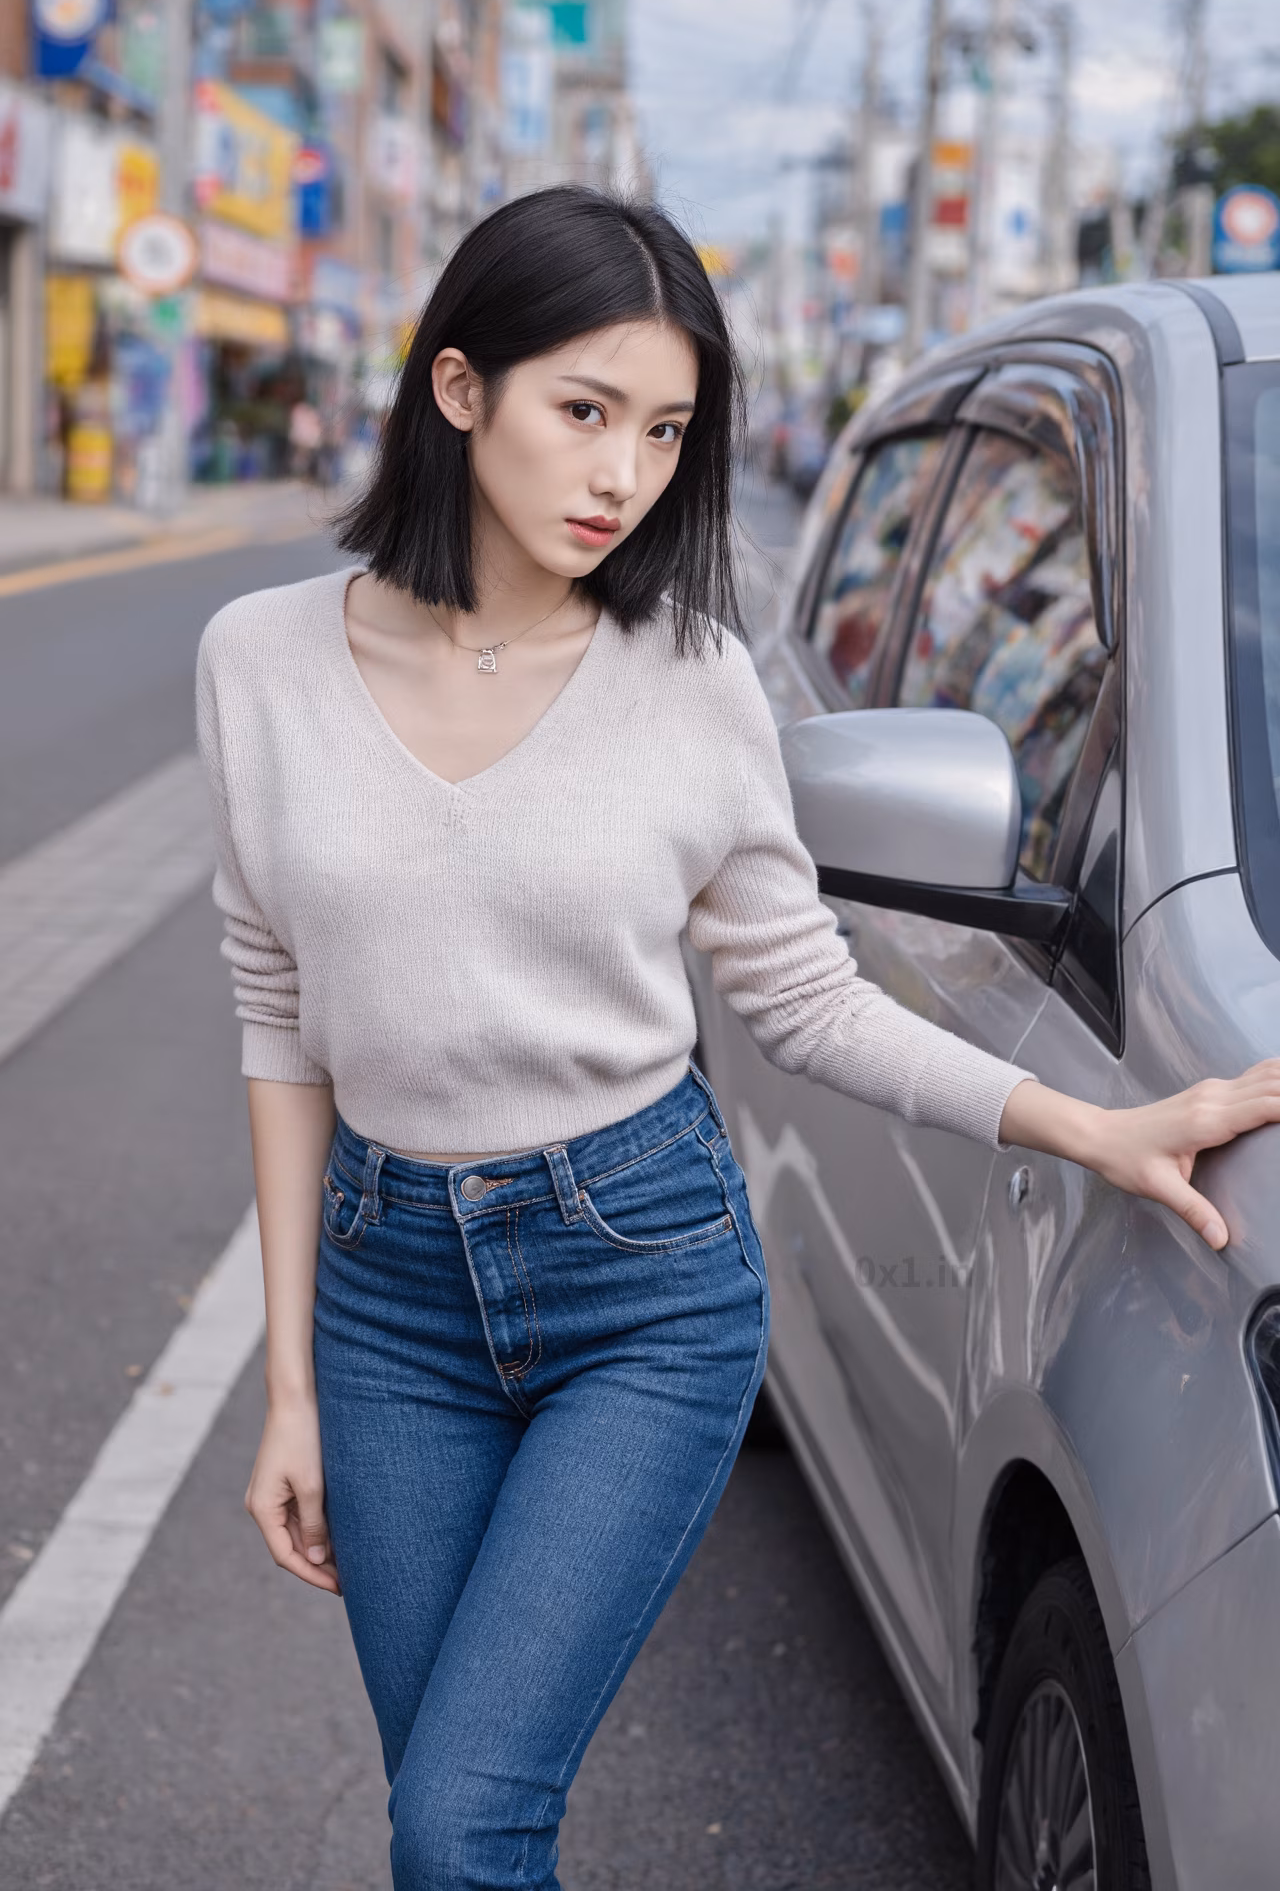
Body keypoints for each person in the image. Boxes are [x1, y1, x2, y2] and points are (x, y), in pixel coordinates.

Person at [195, 186, 1280, 1891]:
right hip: (387, 1290)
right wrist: (291, 1383)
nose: (623, 473)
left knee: (457, 1825)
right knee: (458, 1819)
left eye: (664, 429)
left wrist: (1095, 1125)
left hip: (640, 1280)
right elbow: (277, 1013)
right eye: (585, 412)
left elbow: (804, 996)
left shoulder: (692, 681)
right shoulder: (256, 661)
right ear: (459, 389)